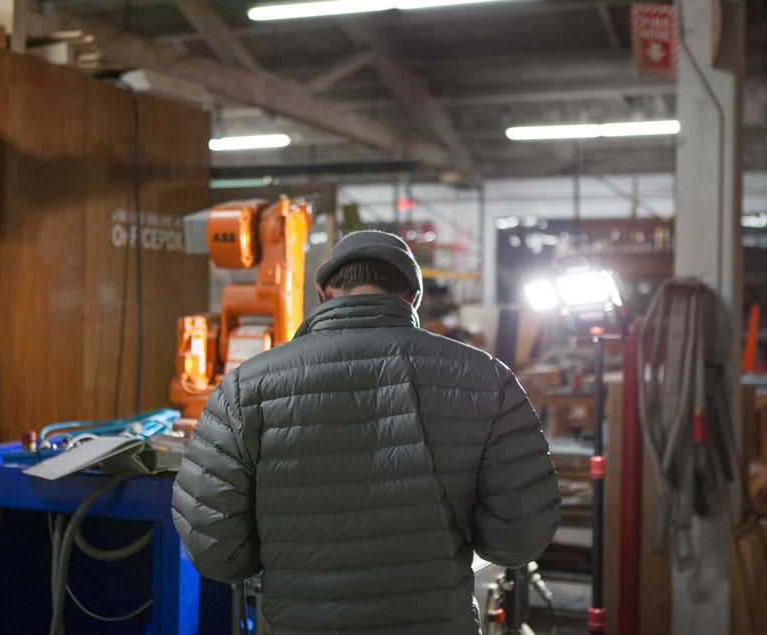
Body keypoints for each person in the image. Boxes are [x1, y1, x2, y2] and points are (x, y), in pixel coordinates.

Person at [172, 230, 561, 634]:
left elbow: (214, 546)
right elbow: (520, 537)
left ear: (322, 293)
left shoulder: (245, 387)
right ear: (412, 298)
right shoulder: (487, 379)